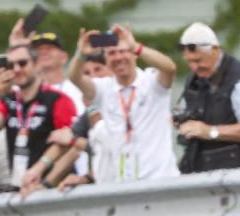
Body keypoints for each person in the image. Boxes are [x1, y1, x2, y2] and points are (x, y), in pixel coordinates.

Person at [68, 24, 179, 183]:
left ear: (134, 55)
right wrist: (81, 55)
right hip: (125, 183)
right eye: (112, 53)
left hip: (161, 179)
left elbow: (169, 68)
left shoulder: (151, 82)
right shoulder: (104, 89)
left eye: (123, 51)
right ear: (106, 59)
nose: (118, 57)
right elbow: (74, 78)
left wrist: (135, 46)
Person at [174, 22, 240, 173]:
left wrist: (210, 131)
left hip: (236, 179)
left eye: (198, 60)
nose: (194, 67)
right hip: (198, 175)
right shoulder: (194, 79)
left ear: (215, 50)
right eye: (189, 62)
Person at [0, 43, 77, 190]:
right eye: (11, 65)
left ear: (37, 64)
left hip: (52, 188)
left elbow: (71, 146)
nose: (17, 69)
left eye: (22, 63)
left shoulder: (58, 99)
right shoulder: (8, 99)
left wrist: (46, 180)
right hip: (20, 186)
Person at [28, 31, 86, 114]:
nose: (43, 52)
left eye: (49, 48)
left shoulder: (78, 89)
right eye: (38, 49)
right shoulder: (21, 91)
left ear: (64, 57)